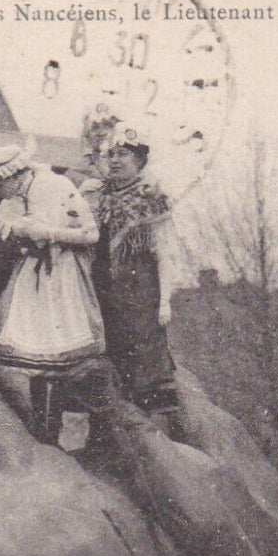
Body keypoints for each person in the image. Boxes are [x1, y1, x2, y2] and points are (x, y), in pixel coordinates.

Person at [0, 140, 104, 444]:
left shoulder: (55, 186)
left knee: (65, 351)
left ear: (15, 175)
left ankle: (74, 430)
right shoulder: (17, 195)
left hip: (63, 274)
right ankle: (45, 431)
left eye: (1, 183)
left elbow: (89, 233)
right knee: (36, 356)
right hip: (35, 275)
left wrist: (47, 233)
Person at [81, 118, 179, 413]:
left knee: (145, 359)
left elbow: (164, 253)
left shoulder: (152, 199)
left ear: (139, 159)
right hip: (106, 288)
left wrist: (164, 302)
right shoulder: (99, 195)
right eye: (111, 154)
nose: (114, 161)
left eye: (122, 154)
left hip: (141, 291)